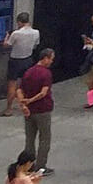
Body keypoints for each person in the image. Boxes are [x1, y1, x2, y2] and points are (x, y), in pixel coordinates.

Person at [18, 46, 56, 174]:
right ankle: (41, 166)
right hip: (43, 109)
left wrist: (24, 104)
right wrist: (30, 100)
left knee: (30, 138)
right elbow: (43, 93)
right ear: (45, 59)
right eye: (51, 59)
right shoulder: (46, 73)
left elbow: (19, 89)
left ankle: (28, 165)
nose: (51, 62)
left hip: (29, 111)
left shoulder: (28, 72)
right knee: (44, 138)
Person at [1, 13, 40, 115]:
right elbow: (35, 45)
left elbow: (7, 45)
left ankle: (9, 109)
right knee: (25, 84)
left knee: (12, 85)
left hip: (15, 60)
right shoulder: (36, 32)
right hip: (28, 59)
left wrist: (7, 35)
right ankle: (26, 104)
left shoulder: (16, 33)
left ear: (19, 22)